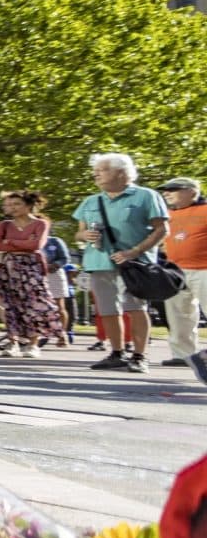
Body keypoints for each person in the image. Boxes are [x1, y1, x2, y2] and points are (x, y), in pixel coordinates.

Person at [74, 153, 170, 375]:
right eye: (96, 170)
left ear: (121, 172)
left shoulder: (146, 196)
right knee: (107, 309)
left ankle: (140, 355)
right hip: (98, 261)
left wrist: (134, 252)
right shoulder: (90, 201)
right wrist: (84, 235)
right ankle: (116, 353)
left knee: (135, 307)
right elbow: (79, 233)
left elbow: (162, 229)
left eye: (102, 169)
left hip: (135, 263)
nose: (96, 174)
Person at [0, 190, 62, 358]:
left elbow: (36, 245)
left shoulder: (40, 224)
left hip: (31, 267)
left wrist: (11, 242)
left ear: (29, 206)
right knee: (9, 305)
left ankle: (33, 344)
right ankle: (12, 341)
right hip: (8, 268)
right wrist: (22, 243)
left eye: (16, 204)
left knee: (34, 304)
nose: (11, 208)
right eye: (9, 204)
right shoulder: (4, 225)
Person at [153, 178, 207, 379]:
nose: (167, 193)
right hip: (175, 270)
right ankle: (183, 355)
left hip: (204, 269)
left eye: (173, 190)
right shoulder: (167, 215)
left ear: (192, 192)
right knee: (178, 314)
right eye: (165, 191)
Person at [41, 225, 76, 346]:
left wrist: (54, 265)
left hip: (54, 274)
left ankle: (62, 335)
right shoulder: (30, 241)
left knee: (59, 307)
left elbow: (65, 258)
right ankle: (42, 335)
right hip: (37, 275)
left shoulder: (55, 241)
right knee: (39, 307)